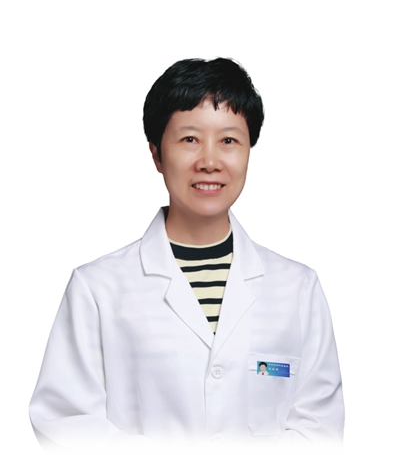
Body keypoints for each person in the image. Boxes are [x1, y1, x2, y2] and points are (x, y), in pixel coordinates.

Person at [29, 58, 344, 452]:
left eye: (228, 141)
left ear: (248, 151)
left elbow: (320, 429)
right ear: (157, 154)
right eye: (190, 139)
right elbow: (64, 421)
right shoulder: (97, 288)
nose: (209, 162)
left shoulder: (297, 288)